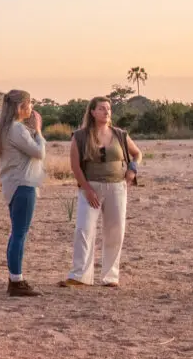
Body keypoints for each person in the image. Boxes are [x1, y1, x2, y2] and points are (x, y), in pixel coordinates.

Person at [60, 97, 140, 288]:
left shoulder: (120, 134)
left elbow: (137, 153)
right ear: (92, 112)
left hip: (117, 187)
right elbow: (75, 166)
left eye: (108, 109)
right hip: (90, 187)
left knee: (115, 230)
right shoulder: (80, 136)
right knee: (84, 229)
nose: (106, 112)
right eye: (102, 108)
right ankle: (80, 275)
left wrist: (132, 169)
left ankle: (110, 277)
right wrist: (87, 189)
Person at [0, 90, 45, 297]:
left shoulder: (7, 128)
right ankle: (16, 281)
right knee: (19, 234)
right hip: (23, 185)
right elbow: (39, 152)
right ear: (20, 107)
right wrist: (38, 130)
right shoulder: (16, 129)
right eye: (29, 103)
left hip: (13, 185)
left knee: (16, 232)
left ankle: (14, 278)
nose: (32, 107)